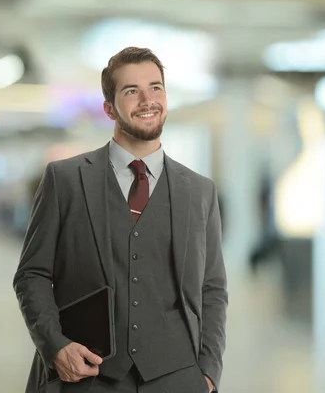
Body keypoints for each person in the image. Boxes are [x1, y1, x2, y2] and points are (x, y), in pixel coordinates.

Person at [13, 47, 228, 393]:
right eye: (132, 91)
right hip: (86, 374)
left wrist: (208, 372)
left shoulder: (200, 191)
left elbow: (212, 288)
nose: (147, 99)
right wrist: (55, 346)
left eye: (155, 87)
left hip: (177, 376)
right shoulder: (65, 179)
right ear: (109, 108)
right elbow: (32, 274)